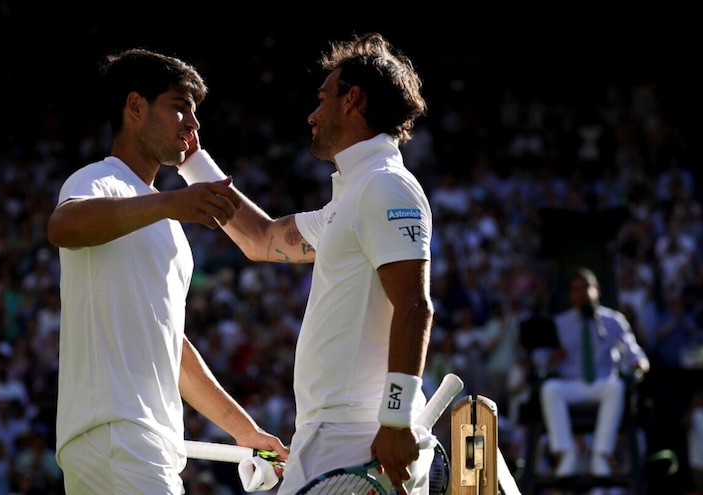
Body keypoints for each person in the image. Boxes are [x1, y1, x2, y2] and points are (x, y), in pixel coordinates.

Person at [177, 32, 434, 495]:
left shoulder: (385, 187)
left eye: (322, 99)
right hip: (333, 434)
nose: (311, 115)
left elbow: (415, 307)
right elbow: (262, 238)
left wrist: (395, 420)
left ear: (353, 100)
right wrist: (192, 161)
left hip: (357, 435)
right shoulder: (354, 196)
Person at [46, 48, 288, 494]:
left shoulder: (169, 226)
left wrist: (244, 430)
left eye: (194, 113)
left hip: (139, 440)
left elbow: (169, 345)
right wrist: (169, 203)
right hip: (118, 434)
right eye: (179, 107)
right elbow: (63, 226)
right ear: (135, 106)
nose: (193, 125)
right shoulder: (98, 179)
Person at [536, 267, 650, 478]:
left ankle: (601, 454)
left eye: (585, 288)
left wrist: (640, 365)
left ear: (596, 289)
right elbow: (540, 360)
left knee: (616, 387)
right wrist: (553, 358)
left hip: (602, 384)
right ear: (570, 294)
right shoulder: (560, 323)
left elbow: (635, 355)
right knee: (550, 389)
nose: (581, 294)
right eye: (575, 290)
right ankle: (566, 452)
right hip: (571, 385)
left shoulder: (613, 320)